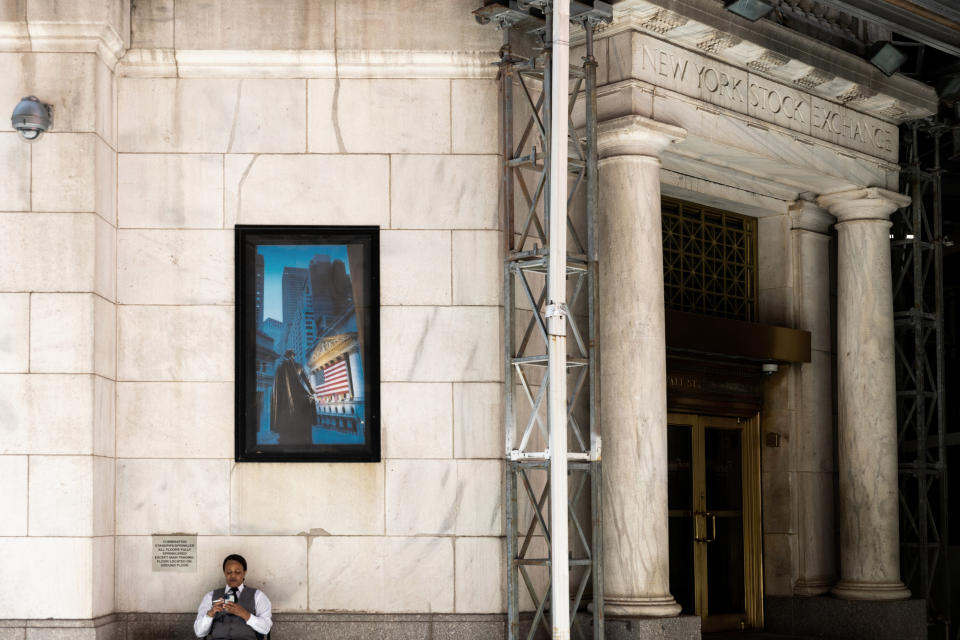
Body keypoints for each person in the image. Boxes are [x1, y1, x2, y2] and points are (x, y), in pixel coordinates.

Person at [194, 554, 272, 639]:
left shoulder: (258, 596)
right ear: (224, 573)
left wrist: (245, 614)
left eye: (237, 572)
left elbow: (266, 628)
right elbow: (199, 633)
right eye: (229, 572)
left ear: (244, 572)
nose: (233, 576)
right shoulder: (210, 596)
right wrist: (210, 614)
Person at [270, 349, 317, 445]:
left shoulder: (281, 366)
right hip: (297, 394)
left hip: (285, 396)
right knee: (308, 401)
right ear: (293, 356)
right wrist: (311, 391)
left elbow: (277, 384)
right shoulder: (298, 366)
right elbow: (306, 380)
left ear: (286, 355)